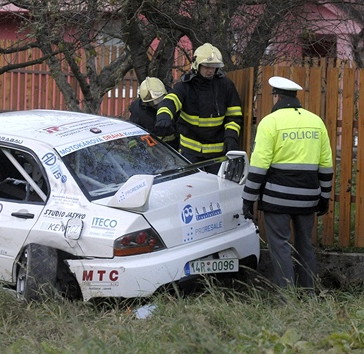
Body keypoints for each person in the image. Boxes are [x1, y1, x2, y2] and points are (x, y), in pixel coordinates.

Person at [242, 76, 333, 290]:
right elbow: (326, 164)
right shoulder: (316, 122)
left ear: (277, 97)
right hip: (308, 198)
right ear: (295, 97)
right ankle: (309, 293)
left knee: (280, 245)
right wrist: (325, 198)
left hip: (277, 199)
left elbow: (259, 166)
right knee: (305, 246)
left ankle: (287, 297)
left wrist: (248, 199)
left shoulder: (270, 122)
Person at [154, 43, 242, 173]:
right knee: (190, 188)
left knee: (216, 187)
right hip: (190, 151)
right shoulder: (185, 86)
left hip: (217, 152)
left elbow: (234, 115)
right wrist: (164, 116)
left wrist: (231, 137)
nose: (210, 70)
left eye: (213, 67)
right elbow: (170, 100)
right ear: (197, 65)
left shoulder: (226, 85)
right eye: (207, 66)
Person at [129, 77, 178, 149]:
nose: (156, 104)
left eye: (159, 99)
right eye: (152, 102)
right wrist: (136, 150)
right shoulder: (138, 109)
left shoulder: (174, 102)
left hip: (174, 149)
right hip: (151, 151)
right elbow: (133, 133)